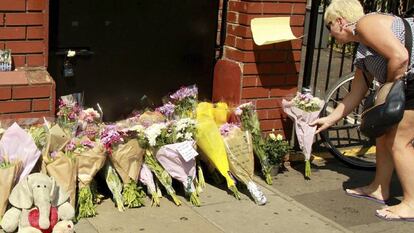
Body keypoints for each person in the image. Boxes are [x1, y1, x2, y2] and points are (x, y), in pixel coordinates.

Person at [310, 0, 414, 221]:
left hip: (410, 78)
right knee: (383, 134)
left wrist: (387, 89)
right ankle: (379, 188)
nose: (330, 34)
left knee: (399, 140)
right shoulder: (362, 50)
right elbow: (355, 92)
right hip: (407, 80)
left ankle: (411, 203)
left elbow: (401, 57)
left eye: (329, 27)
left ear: (340, 21)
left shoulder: (366, 24)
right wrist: (330, 119)